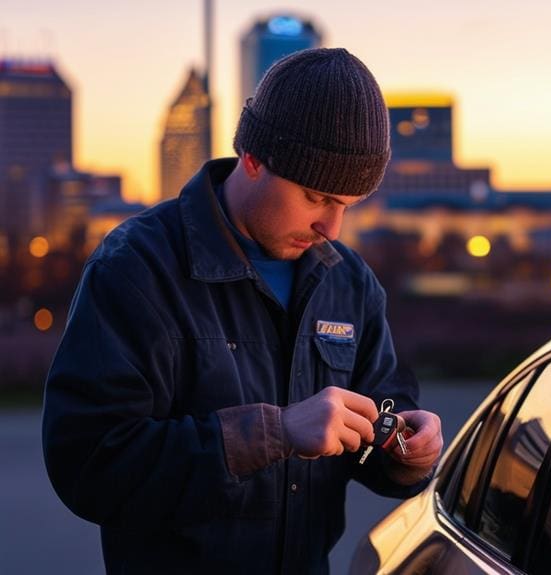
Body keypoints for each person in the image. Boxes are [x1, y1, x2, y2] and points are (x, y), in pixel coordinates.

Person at [42, 47, 443, 574]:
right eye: (317, 197)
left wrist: (409, 456)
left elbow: (380, 428)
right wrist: (273, 433)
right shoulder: (138, 268)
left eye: (347, 205)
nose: (333, 228)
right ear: (253, 158)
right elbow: (89, 463)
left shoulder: (349, 281)